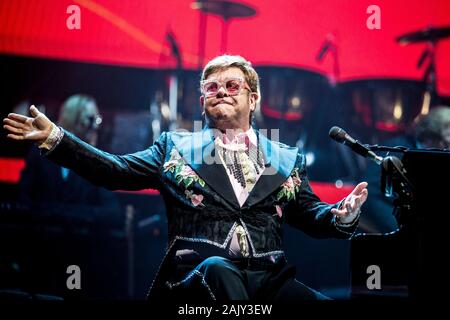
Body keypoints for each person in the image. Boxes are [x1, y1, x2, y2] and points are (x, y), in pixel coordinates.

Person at [3, 55, 368, 301]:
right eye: (211, 87)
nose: (220, 92)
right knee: (219, 270)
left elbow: (310, 214)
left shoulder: (287, 158)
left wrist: (341, 215)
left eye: (231, 86)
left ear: (253, 99)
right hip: (196, 278)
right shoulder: (174, 147)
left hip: (267, 281)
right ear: (202, 100)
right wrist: (58, 139)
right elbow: (114, 170)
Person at [360, 105, 450, 233]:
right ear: (432, 137)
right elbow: (371, 193)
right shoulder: (394, 149)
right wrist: (400, 230)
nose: (448, 148)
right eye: (447, 143)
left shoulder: (435, 155)